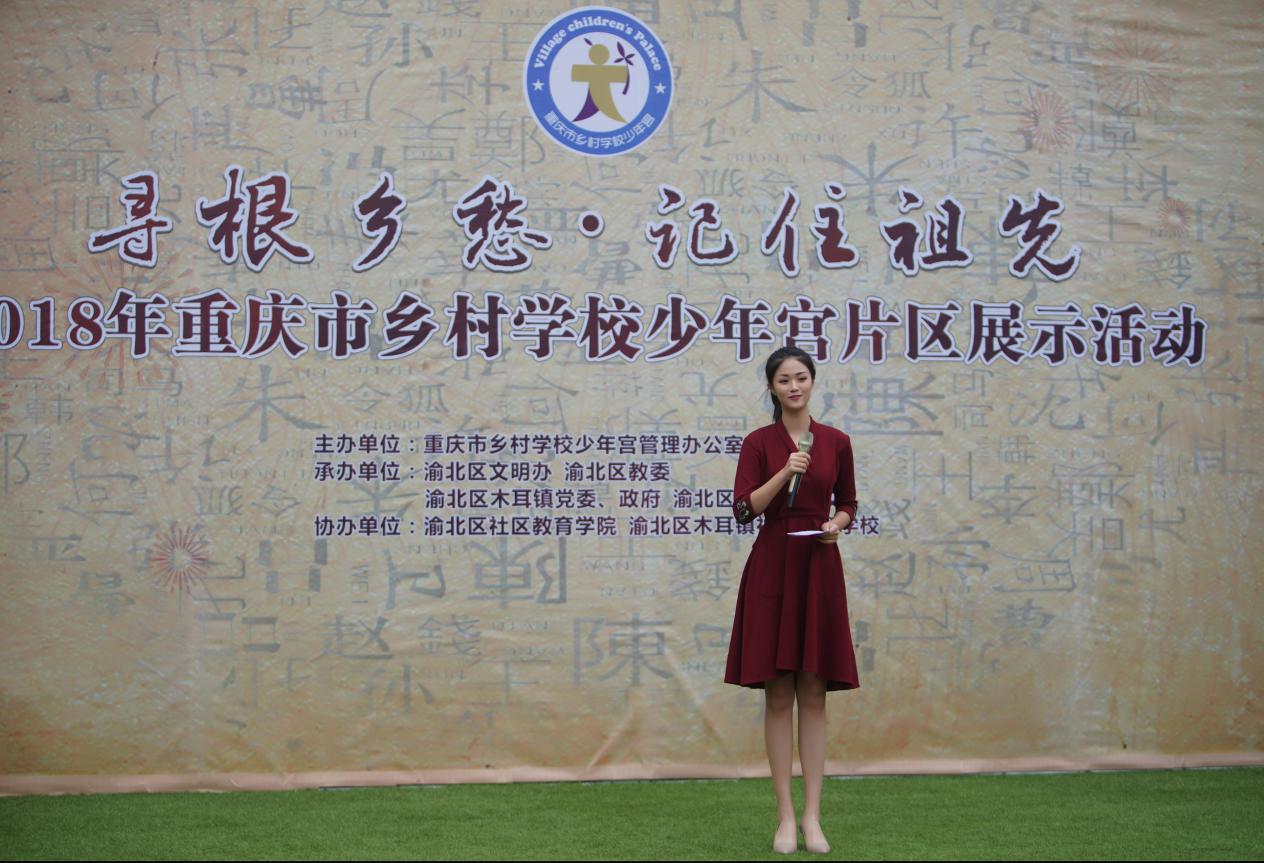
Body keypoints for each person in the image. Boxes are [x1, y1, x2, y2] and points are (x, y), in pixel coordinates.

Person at [724, 346, 859, 855]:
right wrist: (784, 472)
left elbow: (848, 502)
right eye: (784, 380)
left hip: (818, 566)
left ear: (812, 382)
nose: (794, 386)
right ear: (772, 388)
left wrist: (836, 524)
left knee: (815, 695)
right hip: (773, 567)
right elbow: (743, 510)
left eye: (801, 377)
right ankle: (784, 816)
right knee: (778, 695)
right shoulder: (758, 443)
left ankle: (812, 817)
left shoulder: (837, 442)